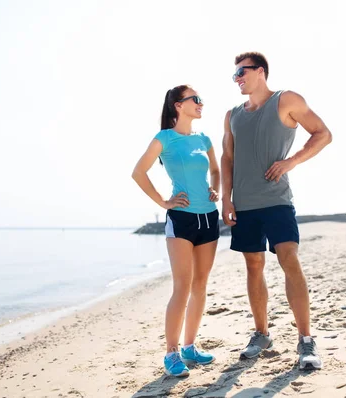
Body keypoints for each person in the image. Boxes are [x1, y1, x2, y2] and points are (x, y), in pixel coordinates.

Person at [220, 52, 333, 370]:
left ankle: (306, 340)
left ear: (260, 72)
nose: (238, 79)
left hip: (277, 200)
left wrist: (290, 162)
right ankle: (261, 334)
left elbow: (323, 134)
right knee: (253, 267)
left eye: (242, 72)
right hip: (244, 205)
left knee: (288, 259)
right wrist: (226, 200)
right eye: (234, 75)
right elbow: (227, 158)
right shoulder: (232, 115)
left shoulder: (286, 100)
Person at [132, 85, 220, 377]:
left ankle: (190, 347)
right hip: (181, 219)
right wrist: (163, 202)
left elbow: (217, 171)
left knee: (200, 286)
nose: (200, 103)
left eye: (201, 99)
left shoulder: (204, 138)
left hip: (209, 218)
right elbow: (138, 172)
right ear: (178, 105)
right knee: (182, 286)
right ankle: (171, 353)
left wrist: (215, 190)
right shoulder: (164, 138)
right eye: (195, 99)